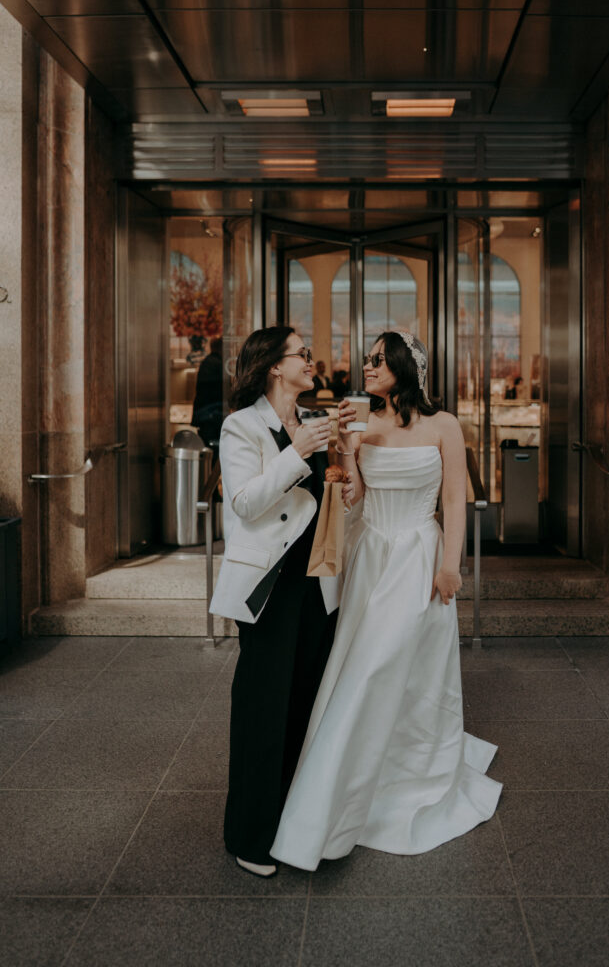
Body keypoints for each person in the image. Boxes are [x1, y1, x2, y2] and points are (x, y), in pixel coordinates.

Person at [270, 330, 502, 871]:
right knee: (366, 665)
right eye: (367, 360)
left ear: (404, 366)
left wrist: (451, 565)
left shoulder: (444, 425)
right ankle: (347, 781)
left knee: (404, 667)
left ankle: (404, 772)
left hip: (418, 555)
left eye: (377, 360)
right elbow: (355, 495)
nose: (367, 368)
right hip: (372, 556)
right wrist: (345, 454)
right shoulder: (364, 424)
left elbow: (453, 500)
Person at [209, 326, 355, 878]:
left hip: (316, 583)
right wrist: (297, 452)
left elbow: (321, 504)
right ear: (274, 366)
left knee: (303, 703)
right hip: (270, 586)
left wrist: (341, 479)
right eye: (302, 354)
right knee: (262, 706)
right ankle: (249, 834)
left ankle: (293, 827)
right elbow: (245, 503)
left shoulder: (313, 421)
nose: (311, 361)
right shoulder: (241, 425)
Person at [191, 337, 224, 450]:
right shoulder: (217, 363)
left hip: (204, 413)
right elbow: (218, 389)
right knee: (213, 449)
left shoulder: (209, 361)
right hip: (210, 413)